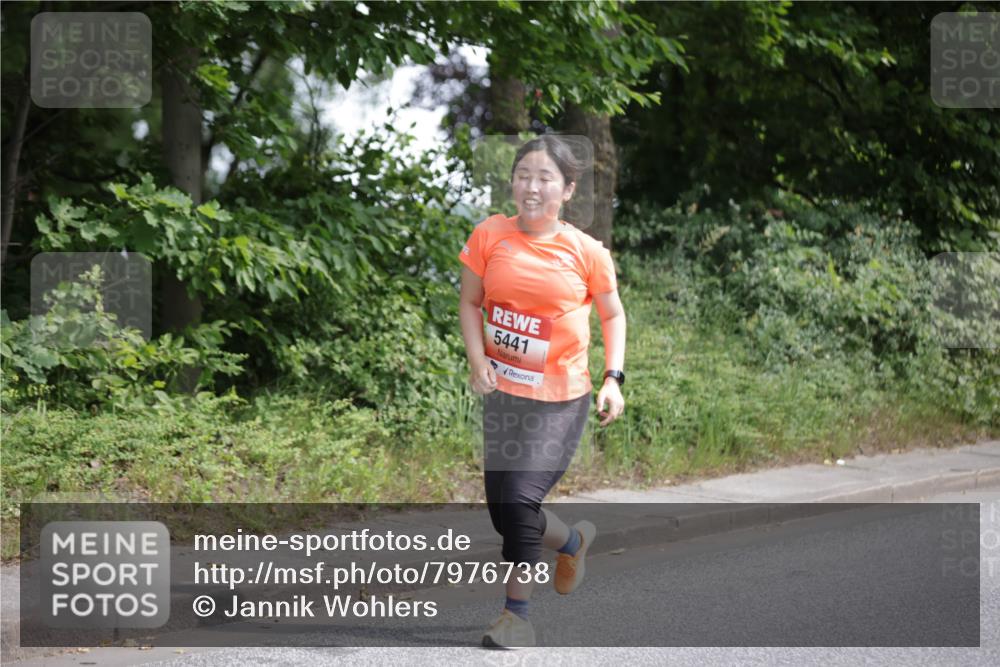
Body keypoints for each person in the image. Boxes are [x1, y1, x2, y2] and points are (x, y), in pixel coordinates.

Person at [457, 135, 627, 648]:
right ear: (512, 182)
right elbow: (470, 304)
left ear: (568, 189)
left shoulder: (586, 251)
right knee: (505, 513)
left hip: (562, 399)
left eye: (545, 177)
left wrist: (612, 380)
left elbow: (613, 314)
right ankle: (573, 541)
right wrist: (477, 359)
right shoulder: (489, 235)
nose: (532, 187)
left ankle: (516, 617)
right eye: (523, 175)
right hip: (504, 396)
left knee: (520, 499)